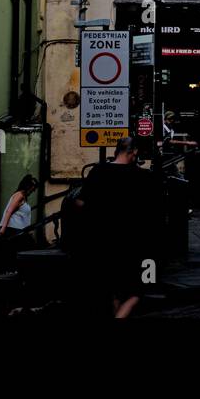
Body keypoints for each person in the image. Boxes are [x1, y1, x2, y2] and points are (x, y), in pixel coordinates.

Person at [79, 136, 161, 318]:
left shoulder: (98, 171)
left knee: (113, 292)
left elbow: (82, 203)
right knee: (136, 291)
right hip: (131, 243)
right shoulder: (142, 176)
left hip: (102, 242)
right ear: (134, 152)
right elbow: (152, 212)